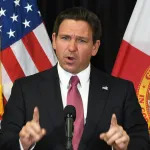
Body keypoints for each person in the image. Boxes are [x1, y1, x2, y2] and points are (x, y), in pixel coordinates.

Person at [0, 7, 149, 150]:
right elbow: (5, 141)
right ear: (54, 40)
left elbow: (142, 142)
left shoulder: (121, 90)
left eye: (81, 40)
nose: (72, 47)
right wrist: (23, 144)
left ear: (95, 47)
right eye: (65, 38)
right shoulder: (25, 89)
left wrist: (124, 147)